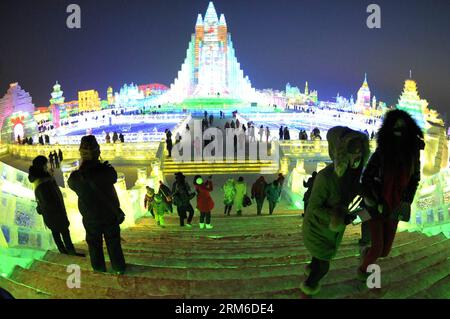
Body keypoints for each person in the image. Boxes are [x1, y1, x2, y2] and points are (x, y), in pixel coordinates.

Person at [300, 126, 369, 297]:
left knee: (319, 260)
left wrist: (369, 194)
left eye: (360, 151)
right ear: (342, 152)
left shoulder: (350, 176)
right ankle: (309, 286)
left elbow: (354, 191)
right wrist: (337, 217)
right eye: (353, 150)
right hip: (318, 230)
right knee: (324, 266)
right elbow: (314, 208)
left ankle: (312, 272)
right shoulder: (325, 177)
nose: (357, 156)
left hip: (329, 233)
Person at [358, 110, 424, 281]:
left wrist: (406, 200)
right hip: (376, 206)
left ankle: (366, 254)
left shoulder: (412, 156)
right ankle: (368, 276)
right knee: (378, 248)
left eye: (402, 127)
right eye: (395, 126)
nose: (398, 129)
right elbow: (366, 178)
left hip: (395, 208)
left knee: (385, 251)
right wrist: (375, 199)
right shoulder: (381, 153)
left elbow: (415, 180)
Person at [68, 135, 126, 274]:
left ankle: (99, 269)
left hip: (90, 217)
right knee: (113, 243)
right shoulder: (107, 171)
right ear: (98, 152)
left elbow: (73, 185)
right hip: (109, 215)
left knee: (94, 245)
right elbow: (113, 176)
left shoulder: (75, 177)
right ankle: (118, 267)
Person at [28, 156, 82, 256]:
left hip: (54, 212)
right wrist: (58, 211)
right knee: (63, 232)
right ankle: (69, 252)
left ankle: (64, 251)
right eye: (46, 164)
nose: (48, 165)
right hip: (54, 212)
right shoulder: (42, 182)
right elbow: (47, 200)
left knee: (57, 232)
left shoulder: (43, 178)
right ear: (42, 166)